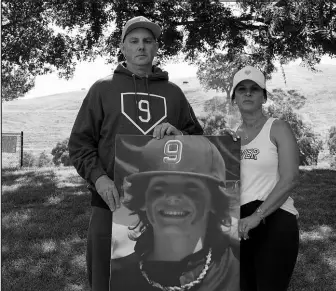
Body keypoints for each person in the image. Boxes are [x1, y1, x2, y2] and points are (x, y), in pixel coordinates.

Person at [68, 16, 203, 291]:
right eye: (134, 41)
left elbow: (199, 140)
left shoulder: (174, 93)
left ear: (156, 48)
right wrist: (99, 179)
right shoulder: (102, 89)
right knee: (106, 279)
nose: (141, 47)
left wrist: (181, 137)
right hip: (111, 202)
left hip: (163, 205)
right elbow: (80, 144)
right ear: (122, 47)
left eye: (148, 41)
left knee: (160, 279)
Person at [110, 135, 240, 291]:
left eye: (191, 188)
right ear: (144, 200)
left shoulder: (238, 267)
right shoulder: (120, 277)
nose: (172, 198)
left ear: (213, 200)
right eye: (159, 188)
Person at [226, 65, 300, 291]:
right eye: (241, 89)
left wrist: (258, 215)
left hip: (275, 219)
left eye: (254, 89)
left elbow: (290, 178)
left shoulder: (278, 128)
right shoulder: (232, 138)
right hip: (240, 225)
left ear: (264, 97)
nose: (247, 93)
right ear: (234, 98)